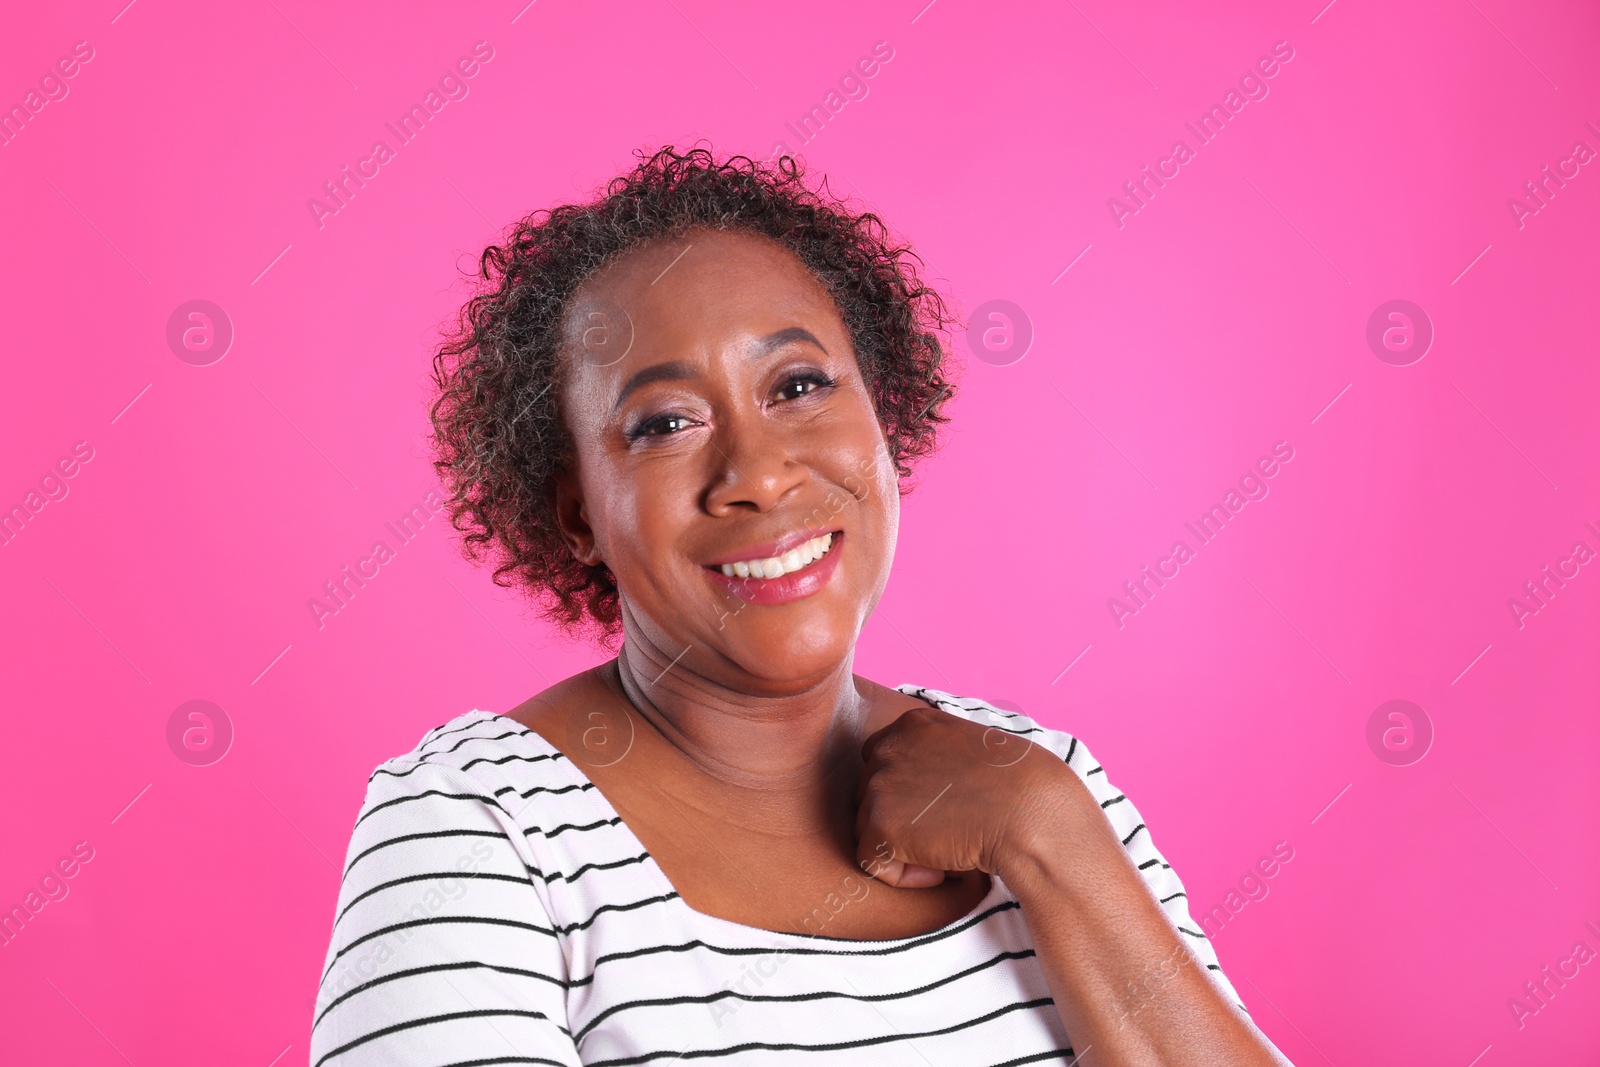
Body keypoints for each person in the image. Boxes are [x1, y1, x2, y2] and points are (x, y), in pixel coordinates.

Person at [308, 146, 1290, 1066]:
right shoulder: (483, 826)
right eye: (664, 422)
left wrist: (1050, 836)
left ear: (881, 413)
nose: (759, 474)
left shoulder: (1044, 780)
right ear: (576, 514)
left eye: (799, 385)